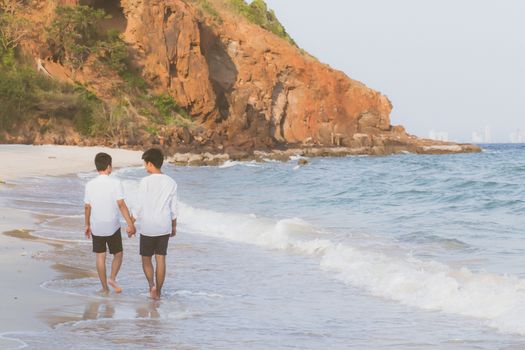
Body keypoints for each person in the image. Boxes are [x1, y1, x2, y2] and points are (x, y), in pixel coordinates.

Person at [84, 152, 136, 294]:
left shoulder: (90, 185)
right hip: (112, 226)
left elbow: (87, 207)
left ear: (97, 167)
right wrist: (130, 223)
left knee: (100, 256)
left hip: (97, 226)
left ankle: (104, 288)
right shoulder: (116, 183)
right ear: (109, 167)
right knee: (118, 253)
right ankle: (112, 278)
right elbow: (121, 205)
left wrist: (87, 224)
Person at [132, 148, 177, 300]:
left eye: (145, 164)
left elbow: (138, 204)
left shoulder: (144, 182)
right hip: (164, 225)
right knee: (161, 259)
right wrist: (174, 226)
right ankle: (158, 292)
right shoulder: (171, 182)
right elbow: (173, 208)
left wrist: (131, 222)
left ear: (150, 164)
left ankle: (151, 285)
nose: (145, 167)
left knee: (146, 259)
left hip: (148, 226)